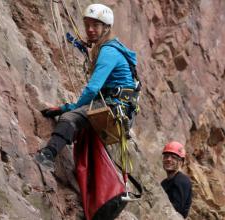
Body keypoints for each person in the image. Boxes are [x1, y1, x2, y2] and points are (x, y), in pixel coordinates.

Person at [35, 3, 139, 169]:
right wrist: (64, 107)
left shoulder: (108, 51)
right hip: (118, 106)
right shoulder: (108, 49)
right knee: (81, 131)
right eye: (87, 25)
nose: (90, 29)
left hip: (115, 107)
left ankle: (48, 155)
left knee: (69, 118)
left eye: (95, 25)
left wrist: (70, 110)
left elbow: (92, 89)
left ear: (106, 27)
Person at [161, 141, 192, 218]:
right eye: (166, 156)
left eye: (173, 157)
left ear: (181, 162)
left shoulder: (182, 181)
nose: (168, 159)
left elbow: (177, 208)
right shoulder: (164, 183)